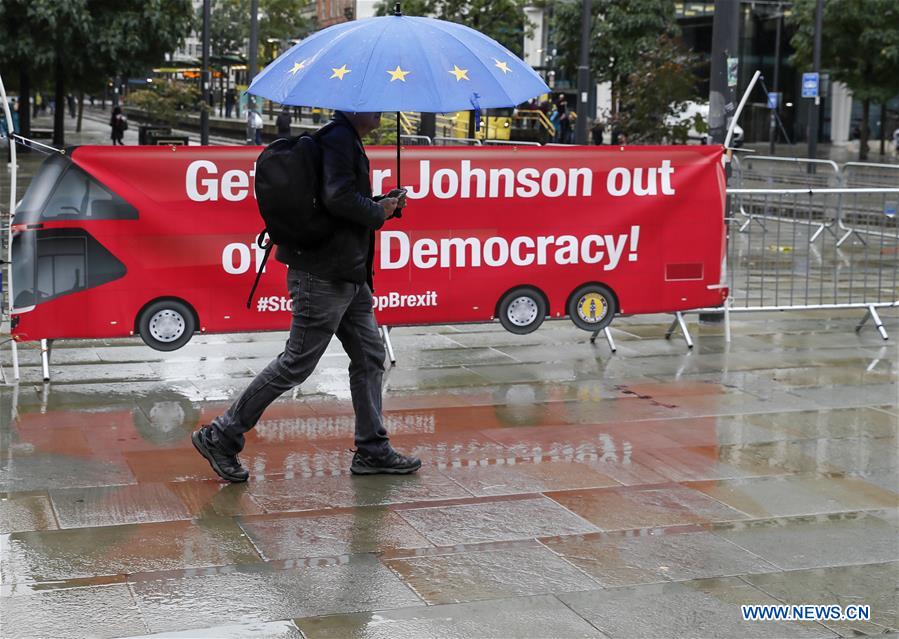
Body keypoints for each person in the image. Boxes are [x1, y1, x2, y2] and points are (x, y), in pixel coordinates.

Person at [192, 110, 421, 482]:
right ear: (355, 108)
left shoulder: (342, 138)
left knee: (369, 356)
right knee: (296, 363)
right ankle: (221, 435)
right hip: (323, 275)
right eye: (373, 105)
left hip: (347, 273)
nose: (380, 111)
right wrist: (378, 211)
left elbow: (336, 203)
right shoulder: (339, 139)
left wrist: (381, 205)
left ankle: (373, 449)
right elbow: (338, 198)